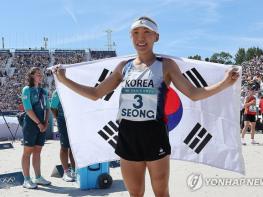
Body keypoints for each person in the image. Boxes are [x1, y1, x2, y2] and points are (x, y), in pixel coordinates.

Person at [53, 16, 239, 197]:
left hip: (154, 133)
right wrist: (65, 80)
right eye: (135, 32)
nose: (140, 37)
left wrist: (224, 84)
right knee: (135, 193)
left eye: (146, 32)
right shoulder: (123, 67)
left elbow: (193, 93)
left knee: (161, 193)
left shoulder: (166, 65)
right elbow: (95, 94)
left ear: (156, 37)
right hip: (127, 134)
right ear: (130, 36)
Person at [21, 67, 51, 189]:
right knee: (27, 152)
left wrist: (46, 123)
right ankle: (26, 179)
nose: (41, 76)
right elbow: (28, 109)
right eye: (38, 74)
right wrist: (39, 123)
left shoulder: (44, 91)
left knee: (38, 151)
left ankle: (38, 177)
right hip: (31, 124)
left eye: (41, 74)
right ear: (32, 76)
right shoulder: (27, 90)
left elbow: (47, 108)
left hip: (42, 124)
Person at [50, 90, 76, 182]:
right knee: (64, 147)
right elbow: (52, 107)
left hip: (75, 120)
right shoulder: (57, 91)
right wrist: (58, 118)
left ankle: (74, 171)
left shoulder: (75, 86)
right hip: (62, 120)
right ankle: (66, 172)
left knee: (74, 147)